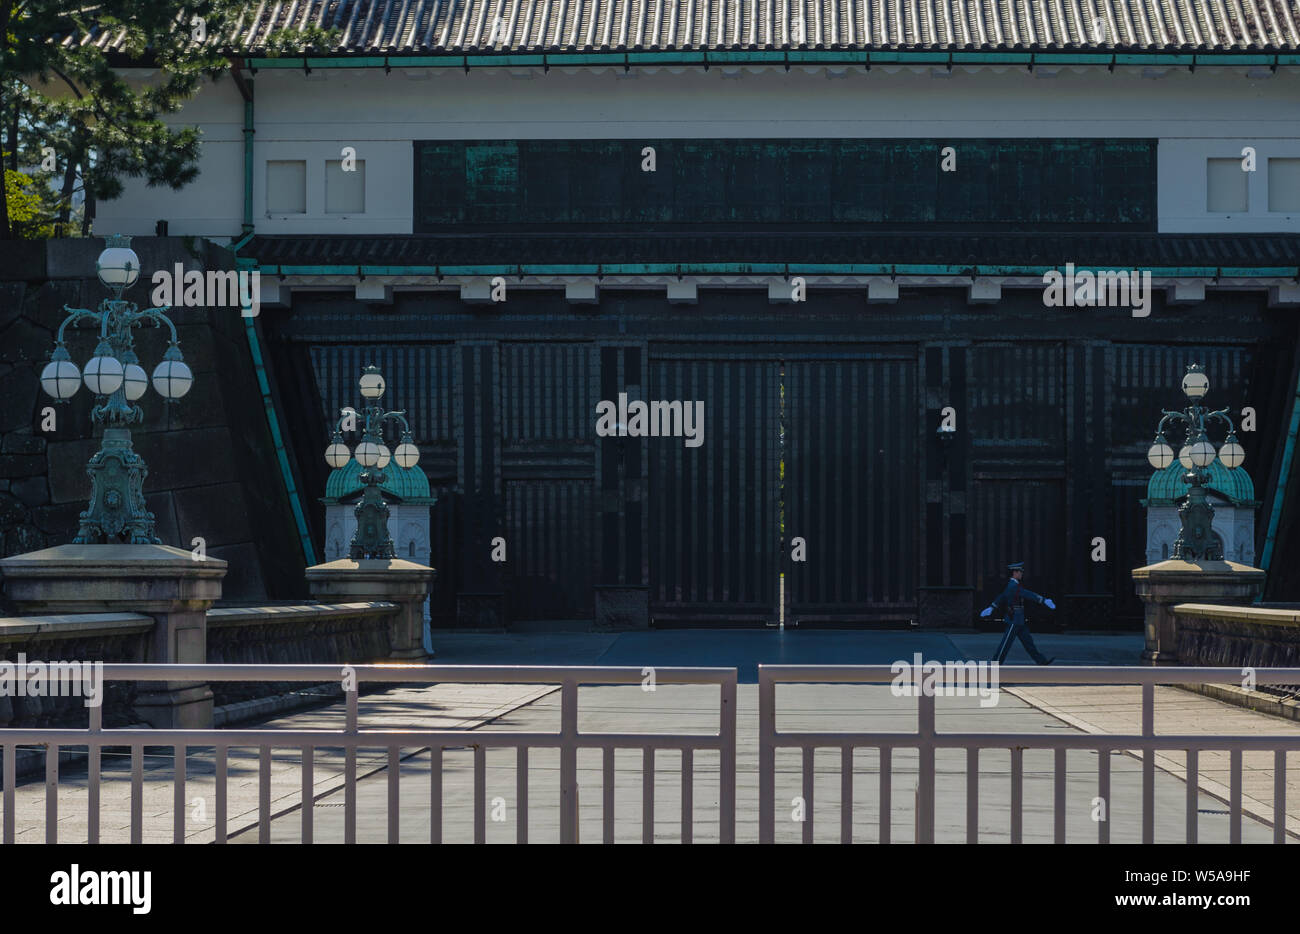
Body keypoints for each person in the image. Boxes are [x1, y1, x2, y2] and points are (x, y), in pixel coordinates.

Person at [979, 561, 1056, 665]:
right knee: (1006, 643)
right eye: (1020, 572)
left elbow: (1002, 596)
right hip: (1014, 619)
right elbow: (1027, 594)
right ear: (1014, 573)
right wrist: (1043, 600)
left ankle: (1041, 661)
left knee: (1028, 643)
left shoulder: (1013, 585)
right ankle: (995, 662)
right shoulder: (1013, 586)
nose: (1021, 574)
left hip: (1019, 620)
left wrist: (992, 607)